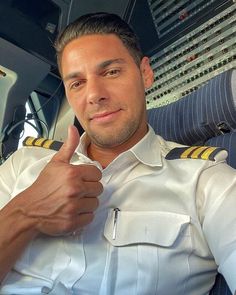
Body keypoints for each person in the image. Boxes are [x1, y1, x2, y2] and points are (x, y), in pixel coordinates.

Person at [0, 12, 235, 295]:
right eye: (77, 83)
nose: (94, 94)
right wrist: (25, 211)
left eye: (111, 72)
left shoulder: (207, 182)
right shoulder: (22, 164)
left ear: (145, 73)